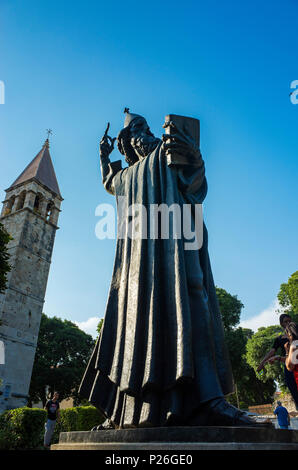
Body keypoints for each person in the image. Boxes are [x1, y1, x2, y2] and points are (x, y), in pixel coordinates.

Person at [79, 110, 270, 429]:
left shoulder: (166, 155)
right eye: (139, 130)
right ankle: (127, 411)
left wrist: (191, 154)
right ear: (127, 144)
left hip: (179, 249)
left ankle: (209, 401)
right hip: (139, 265)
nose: (147, 133)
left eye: (147, 128)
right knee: (134, 323)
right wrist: (102, 155)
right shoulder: (128, 177)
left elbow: (192, 178)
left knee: (194, 302)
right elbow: (109, 182)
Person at [257, 314, 298, 410]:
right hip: (289, 366)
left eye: (289, 321)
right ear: (281, 324)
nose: (288, 323)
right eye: (285, 321)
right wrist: (262, 363)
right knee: (294, 390)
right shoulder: (280, 339)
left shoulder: (294, 338)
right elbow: (272, 351)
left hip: (291, 364)